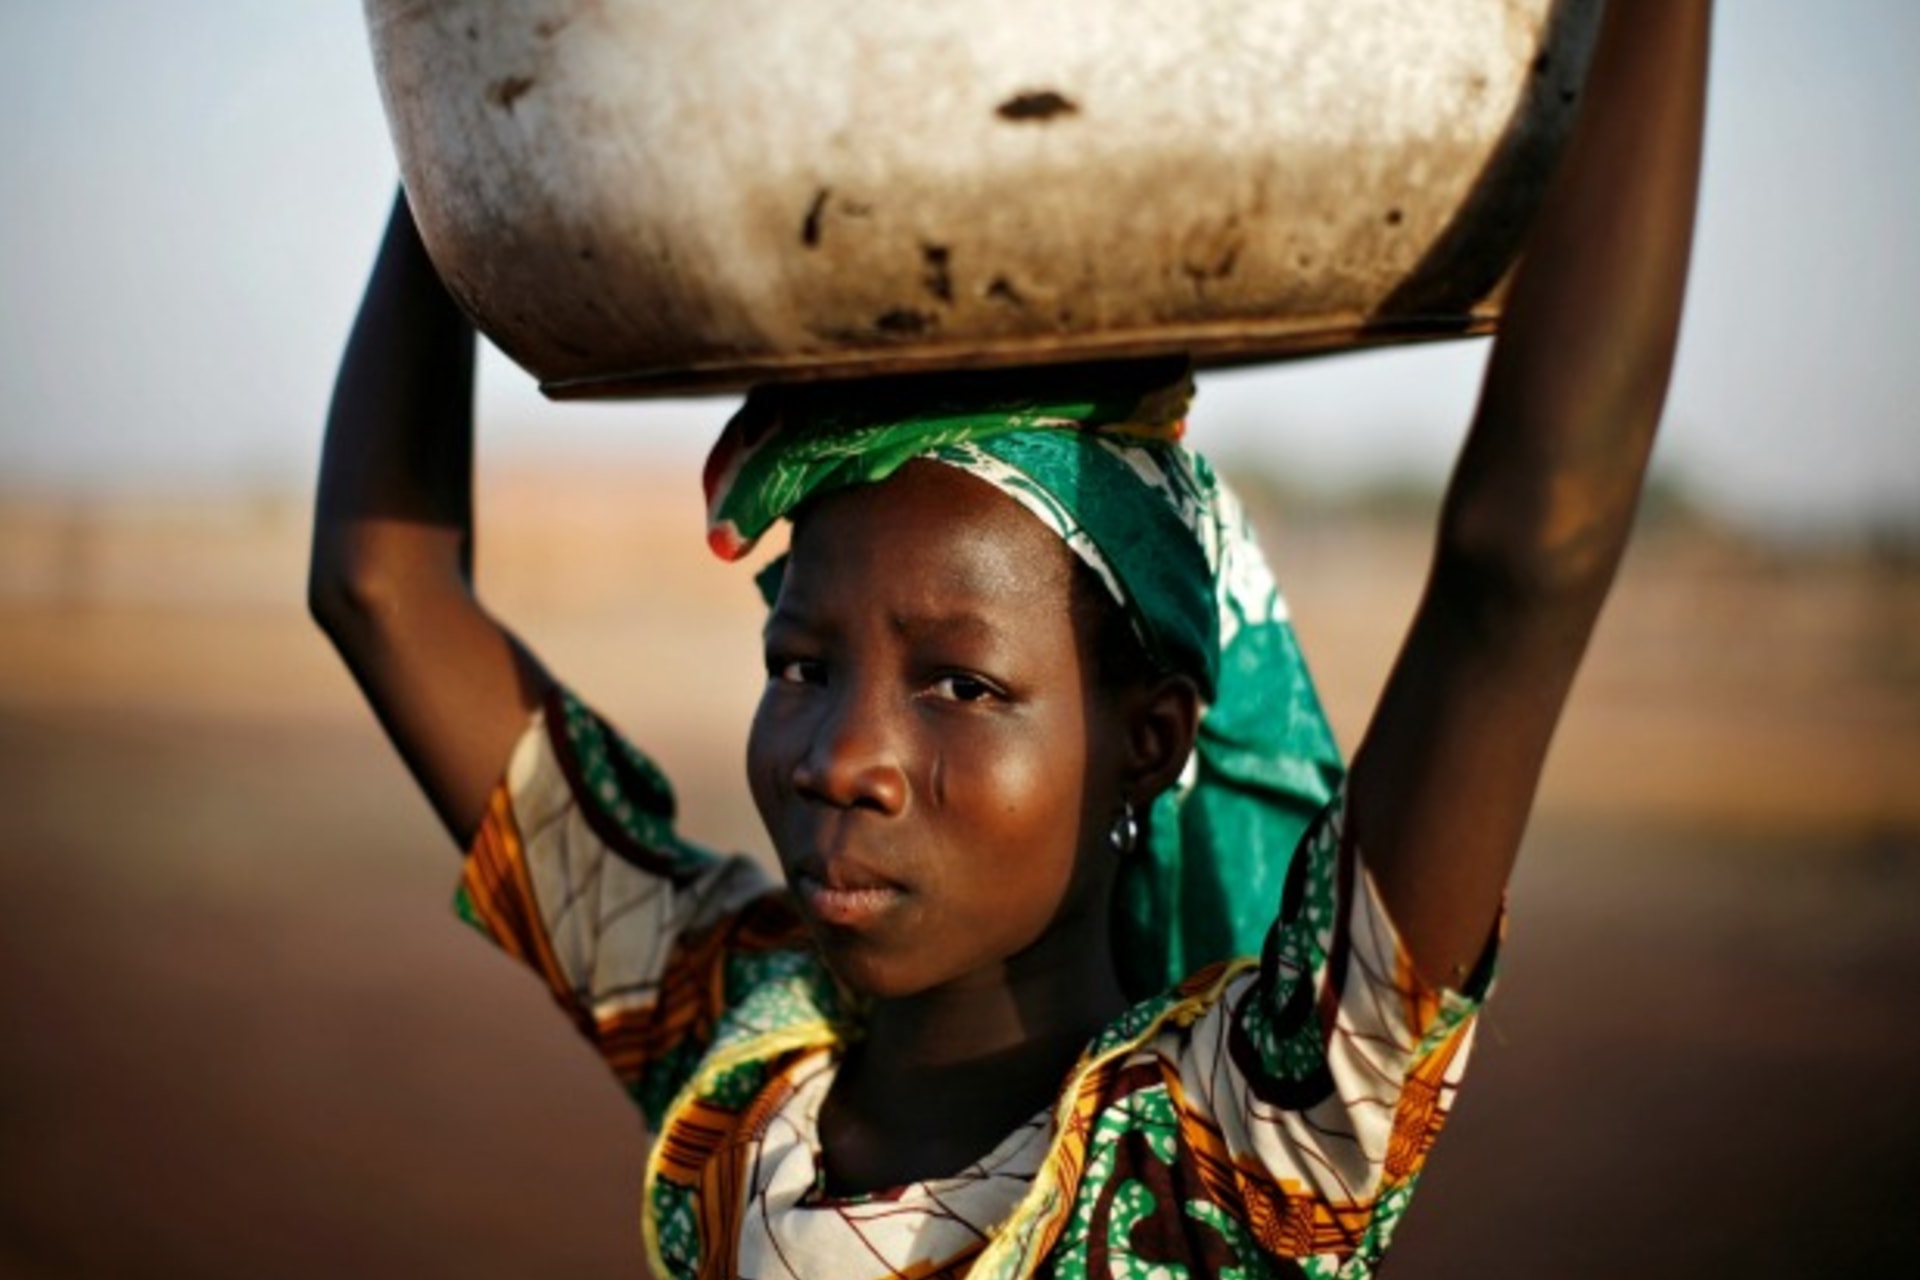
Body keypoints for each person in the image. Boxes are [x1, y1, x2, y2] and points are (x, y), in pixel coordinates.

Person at [311, 2, 1710, 1275]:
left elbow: (1522, 557)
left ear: (1149, 739)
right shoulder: (738, 1060)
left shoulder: (1239, 1153)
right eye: (800, 666)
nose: (842, 757)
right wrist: (482, 106)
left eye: (962, 686)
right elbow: (378, 592)